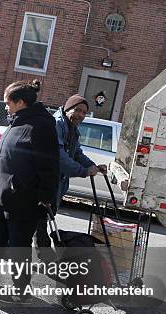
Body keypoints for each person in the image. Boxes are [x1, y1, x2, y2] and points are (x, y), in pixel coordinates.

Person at [0, 80, 59, 296]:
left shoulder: (41, 125)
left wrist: (46, 196)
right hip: (3, 199)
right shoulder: (17, 121)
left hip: (23, 201)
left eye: (8, 103)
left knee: (18, 248)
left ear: (20, 102)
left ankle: (20, 288)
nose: (5, 107)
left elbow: (50, 165)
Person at [34, 94, 107, 248]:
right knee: (37, 224)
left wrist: (94, 166)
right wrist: (84, 171)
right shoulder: (57, 124)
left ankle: (42, 260)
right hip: (41, 185)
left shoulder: (70, 127)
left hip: (53, 186)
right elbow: (59, 158)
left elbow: (77, 153)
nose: (80, 115)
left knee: (39, 224)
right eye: (77, 110)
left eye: (84, 112)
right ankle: (43, 261)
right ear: (67, 109)